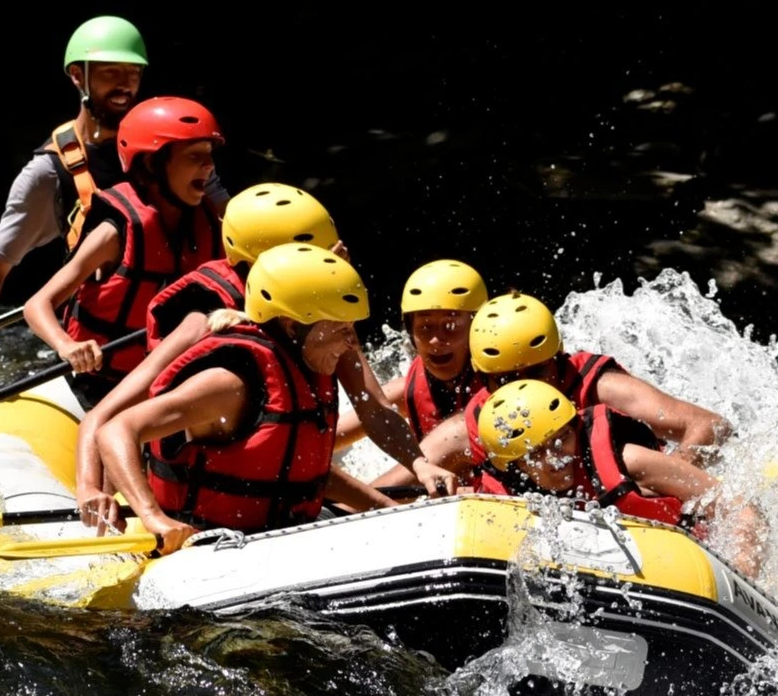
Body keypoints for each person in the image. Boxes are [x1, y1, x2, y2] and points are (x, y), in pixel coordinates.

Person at [72, 187, 458, 533]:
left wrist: (418, 466)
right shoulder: (212, 330)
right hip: (203, 500)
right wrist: (93, 491)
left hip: (275, 502)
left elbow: (367, 410)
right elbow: (105, 420)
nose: (336, 260)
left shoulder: (324, 313)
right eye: (319, 254)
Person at [95, 244, 404, 552]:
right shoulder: (229, 384)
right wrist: (153, 517)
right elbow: (114, 430)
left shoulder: (307, 367)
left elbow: (298, 473)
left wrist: (387, 508)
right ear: (294, 326)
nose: (351, 343)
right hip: (209, 544)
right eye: (340, 329)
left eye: (352, 328)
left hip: (277, 534)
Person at [0, 15, 227, 349]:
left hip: (180, 332)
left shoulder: (169, 150)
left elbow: (230, 218)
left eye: (133, 72)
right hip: (102, 339)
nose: (125, 84)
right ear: (78, 76)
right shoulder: (48, 172)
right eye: (111, 72)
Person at [412, 290, 731, 490]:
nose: (528, 387)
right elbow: (396, 484)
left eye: (537, 371)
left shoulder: (601, 388)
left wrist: (670, 482)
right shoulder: (469, 429)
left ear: (560, 360)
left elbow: (710, 425)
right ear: (483, 381)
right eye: (507, 379)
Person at [21, 97, 224, 409]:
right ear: (151, 164)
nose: (208, 166)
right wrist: (67, 346)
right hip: (95, 386)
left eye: (209, 156)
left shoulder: (212, 224)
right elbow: (37, 305)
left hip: (164, 386)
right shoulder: (115, 233)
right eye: (194, 157)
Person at [473, 378, 766, 577]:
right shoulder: (503, 498)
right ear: (513, 467)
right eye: (535, 454)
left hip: (690, 565)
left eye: (562, 439)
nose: (556, 459)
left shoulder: (630, 461)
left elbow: (742, 508)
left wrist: (741, 573)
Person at [335, 259, 490, 447]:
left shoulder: (502, 384)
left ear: (477, 328)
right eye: (425, 326)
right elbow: (325, 437)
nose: (435, 340)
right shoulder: (407, 391)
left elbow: (439, 453)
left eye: (451, 325)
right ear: (410, 331)